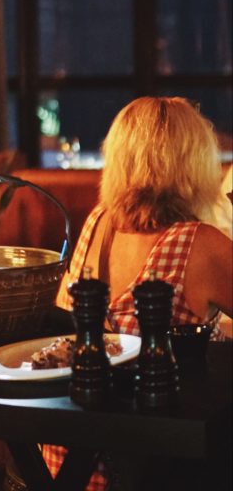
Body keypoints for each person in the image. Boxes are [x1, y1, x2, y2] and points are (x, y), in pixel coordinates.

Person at [40, 96, 233, 491]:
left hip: (66, 459)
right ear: (194, 162)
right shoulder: (199, 243)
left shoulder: (98, 223)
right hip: (153, 464)